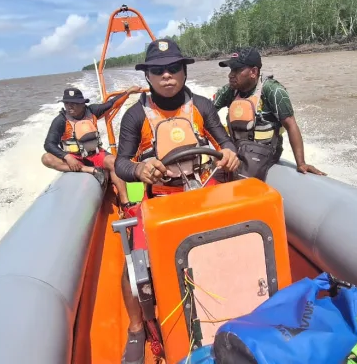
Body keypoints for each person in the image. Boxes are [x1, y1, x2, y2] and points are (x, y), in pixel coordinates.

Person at [114, 38, 239, 364]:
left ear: (183, 71)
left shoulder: (202, 107)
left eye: (173, 69)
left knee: (229, 248)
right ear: (148, 76)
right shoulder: (135, 116)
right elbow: (121, 164)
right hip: (158, 203)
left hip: (200, 194)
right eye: (158, 70)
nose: (166, 75)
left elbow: (225, 142)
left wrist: (229, 153)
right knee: (132, 269)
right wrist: (140, 168)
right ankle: (137, 326)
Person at [213, 47, 326, 178]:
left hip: (264, 153)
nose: (231, 74)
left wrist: (301, 163)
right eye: (231, 70)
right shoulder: (229, 91)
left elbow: (291, 125)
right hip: (237, 149)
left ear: (254, 72)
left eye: (237, 70)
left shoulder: (273, 90)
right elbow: (208, 112)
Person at [42, 86, 140, 211]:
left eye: (74, 104)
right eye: (67, 103)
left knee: (115, 162)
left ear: (83, 104)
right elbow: (49, 144)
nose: (69, 107)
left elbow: (111, 104)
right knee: (46, 158)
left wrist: (128, 92)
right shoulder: (60, 120)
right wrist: (67, 157)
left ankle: (125, 203)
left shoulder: (92, 111)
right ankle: (89, 170)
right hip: (74, 158)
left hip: (95, 154)